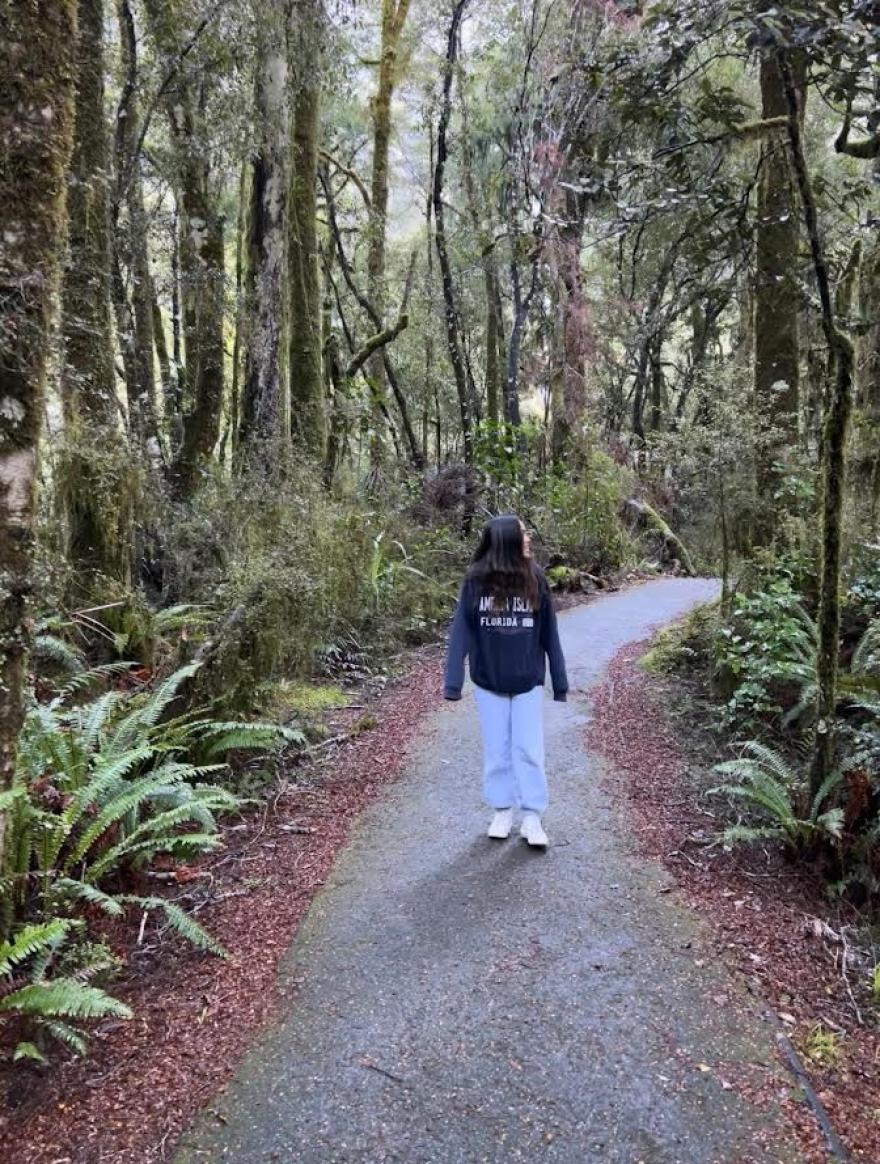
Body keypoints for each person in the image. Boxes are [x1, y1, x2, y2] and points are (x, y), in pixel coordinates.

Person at [443, 514, 568, 849]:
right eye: (523, 534)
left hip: (528, 680)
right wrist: (453, 682)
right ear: (507, 542)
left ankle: (531, 816)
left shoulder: (535, 578)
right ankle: (502, 810)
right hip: (488, 681)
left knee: (528, 749)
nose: (528, 539)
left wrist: (560, 680)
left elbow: (549, 633)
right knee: (497, 751)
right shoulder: (475, 581)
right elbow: (461, 632)